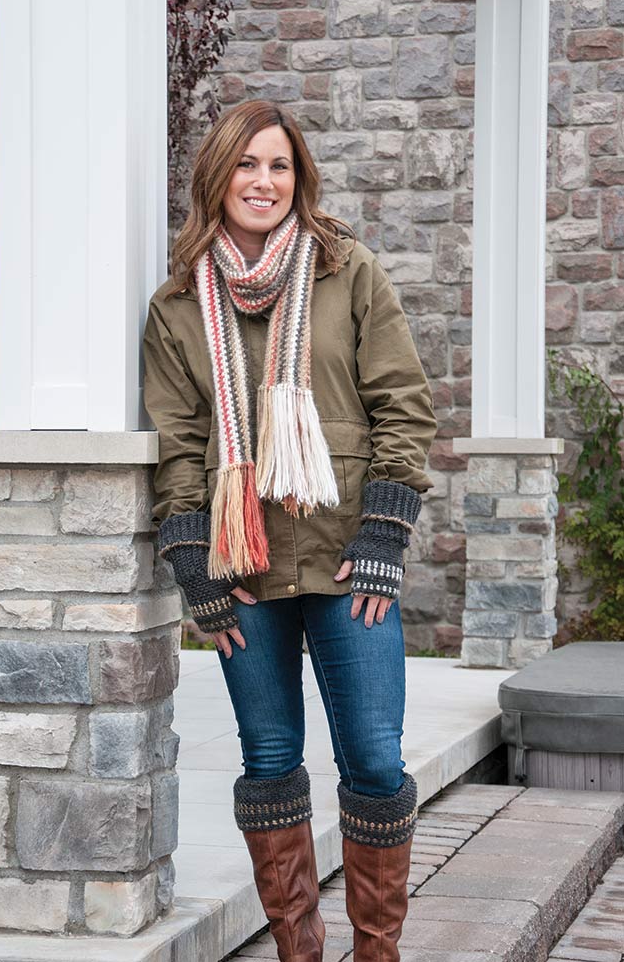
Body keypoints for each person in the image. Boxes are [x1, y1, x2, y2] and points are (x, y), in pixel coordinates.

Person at [143, 98, 437, 962]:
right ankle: (297, 952)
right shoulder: (177, 306)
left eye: (278, 165)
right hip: (245, 566)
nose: (263, 181)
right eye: (246, 164)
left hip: (348, 561)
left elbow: (402, 406)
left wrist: (382, 537)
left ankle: (375, 951)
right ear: (217, 177)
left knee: (374, 761)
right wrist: (194, 565)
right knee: (269, 758)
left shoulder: (348, 271)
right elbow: (179, 445)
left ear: (298, 178)